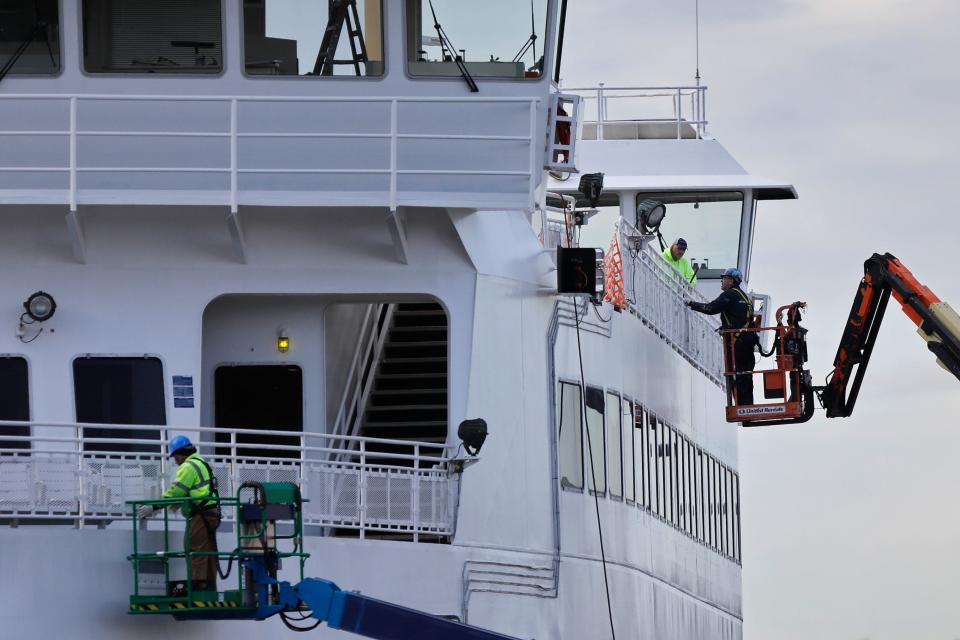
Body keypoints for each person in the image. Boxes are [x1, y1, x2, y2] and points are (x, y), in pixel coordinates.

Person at [137, 435, 220, 592]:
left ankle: (198, 587)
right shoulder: (200, 462)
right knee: (207, 550)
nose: (175, 460)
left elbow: (176, 491)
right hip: (210, 513)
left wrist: (153, 507)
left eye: (175, 456)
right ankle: (209, 586)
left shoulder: (188, 466)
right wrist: (180, 503)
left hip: (201, 514)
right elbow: (194, 490)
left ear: (181, 453)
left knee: (193, 546)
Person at [685, 267, 757, 404]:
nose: (721, 281)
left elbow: (710, 308)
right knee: (746, 374)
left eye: (724, 278)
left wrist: (691, 304)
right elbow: (740, 318)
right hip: (748, 341)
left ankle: (741, 406)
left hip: (737, 342)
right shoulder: (745, 297)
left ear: (731, 280)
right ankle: (747, 405)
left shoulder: (729, 294)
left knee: (736, 374)